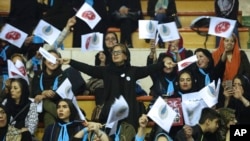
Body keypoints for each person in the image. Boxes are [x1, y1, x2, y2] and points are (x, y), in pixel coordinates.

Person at [60, 43, 174, 136]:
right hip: (111, 113)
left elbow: (149, 69)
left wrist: (163, 63)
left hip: (130, 114)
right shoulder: (106, 71)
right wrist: (71, 61)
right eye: (113, 52)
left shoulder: (133, 71)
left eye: (118, 52)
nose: (115, 54)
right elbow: (89, 69)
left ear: (125, 56)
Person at [31, 49, 67, 128]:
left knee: (48, 116)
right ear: (44, 61)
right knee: (45, 102)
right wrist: (42, 92)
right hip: (39, 109)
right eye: (49, 58)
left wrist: (44, 95)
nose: (52, 61)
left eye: (55, 59)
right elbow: (34, 92)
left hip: (57, 105)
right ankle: (67, 117)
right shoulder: (38, 74)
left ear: (59, 62)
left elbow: (61, 93)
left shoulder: (63, 75)